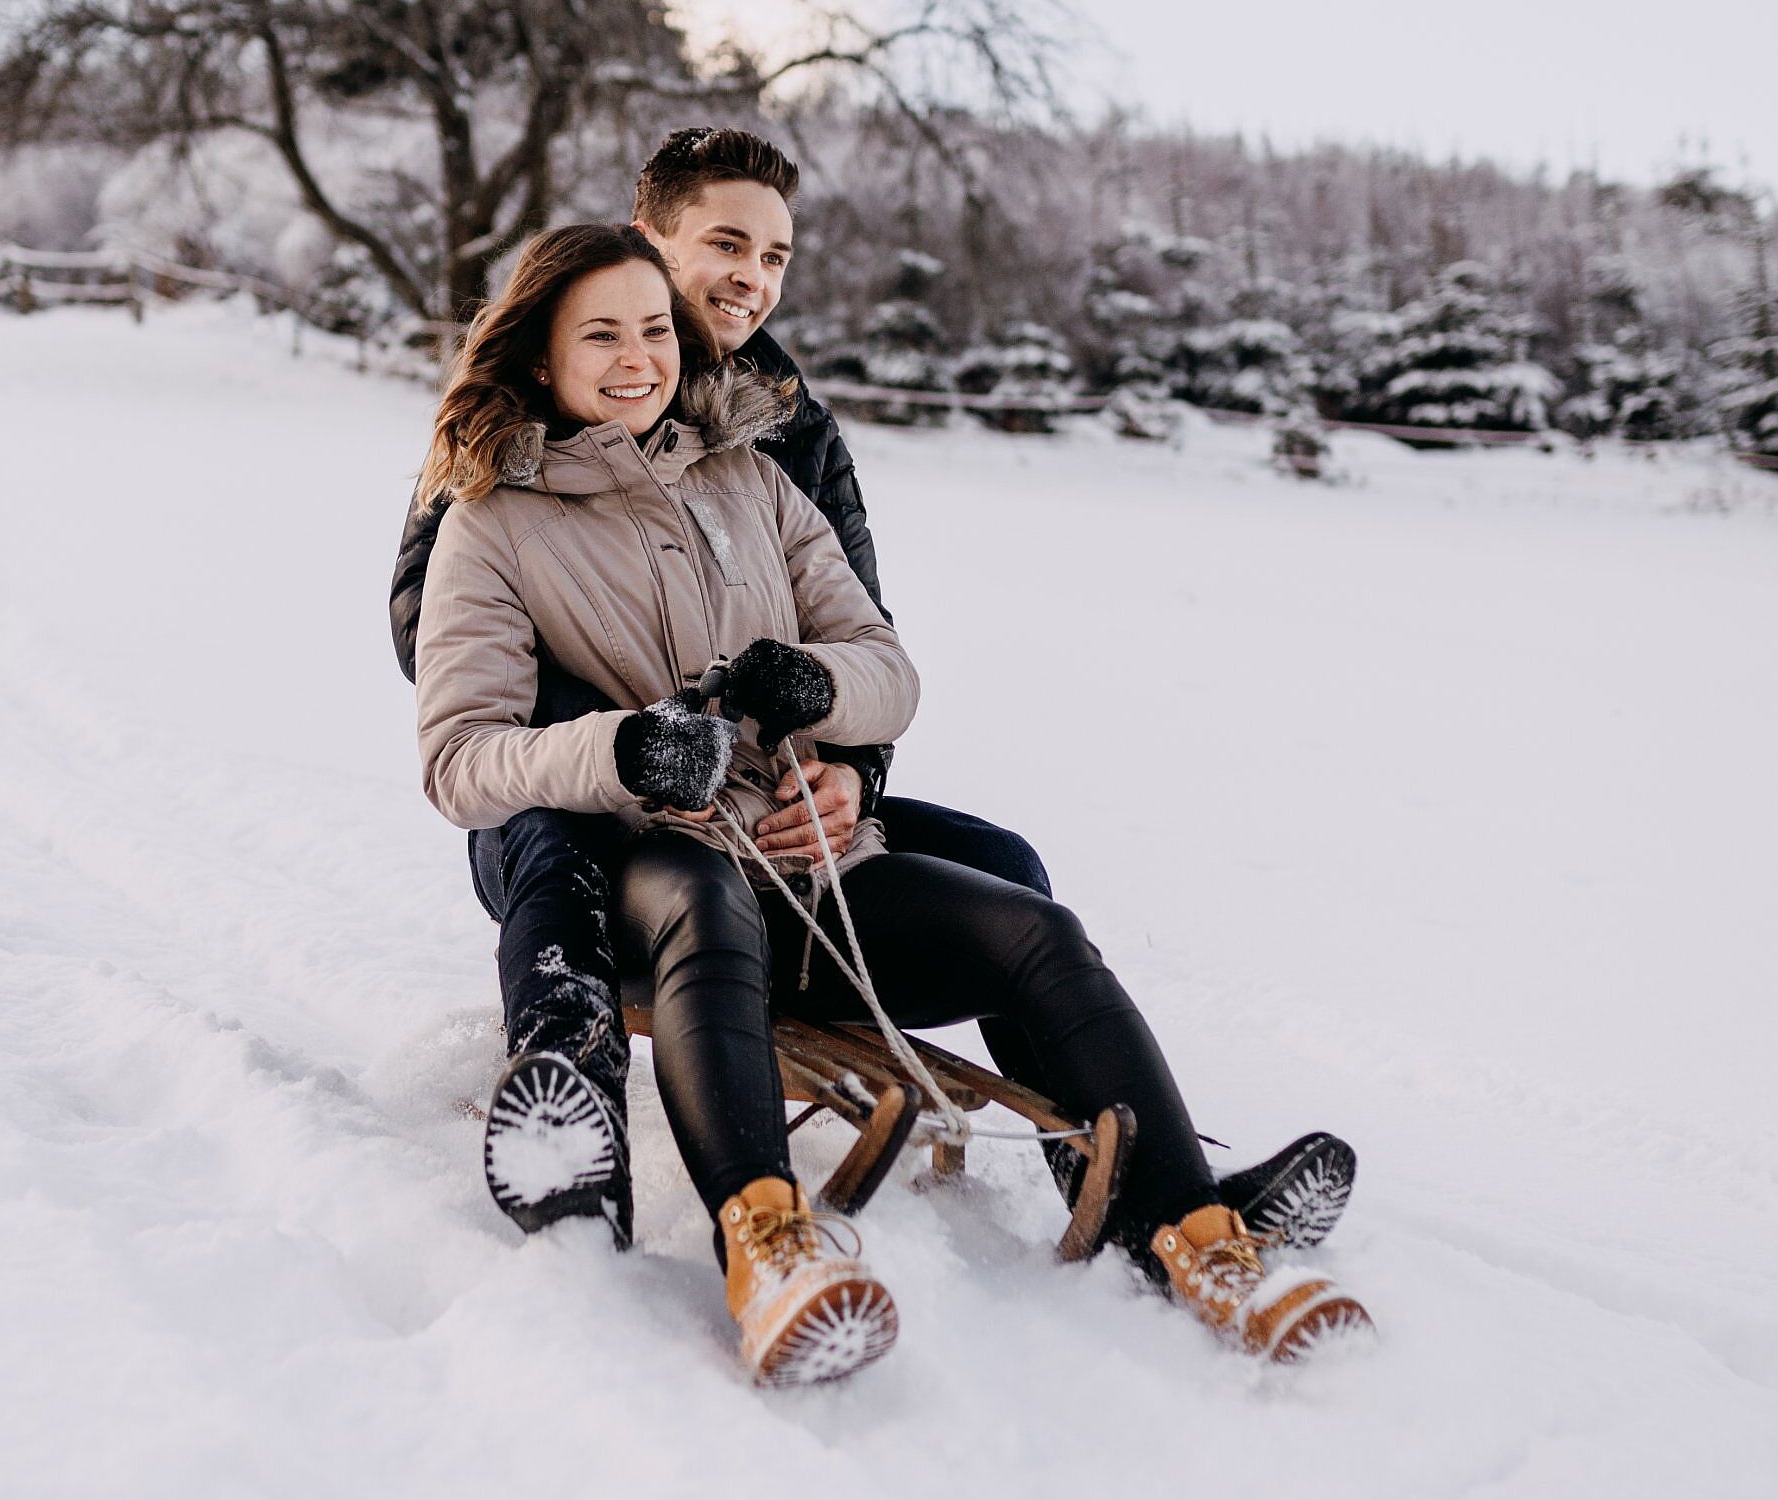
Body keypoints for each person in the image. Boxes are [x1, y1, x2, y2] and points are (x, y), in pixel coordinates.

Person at [413, 223, 1373, 1385]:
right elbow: (462, 756)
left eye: (654, 328)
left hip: (809, 865)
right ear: (538, 357)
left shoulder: (750, 481)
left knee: (1035, 929)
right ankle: (768, 1250)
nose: (636, 356)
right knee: (707, 899)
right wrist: (627, 750)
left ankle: (1191, 1234)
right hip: (648, 873)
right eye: (599, 333)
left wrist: (820, 692)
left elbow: (887, 664)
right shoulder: (493, 522)